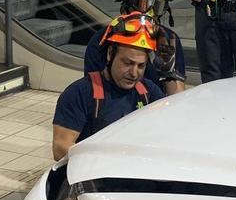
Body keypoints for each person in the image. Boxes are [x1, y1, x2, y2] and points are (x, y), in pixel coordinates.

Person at [53, 12, 165, 160]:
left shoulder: (149, 91)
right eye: (127, 63)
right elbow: (60, 149)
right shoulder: (79, 93)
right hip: (96, 175)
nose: (133, 73)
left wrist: (169, 77)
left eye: (141, 66)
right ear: (110, 54)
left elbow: (169, 129)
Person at [82, 0, 187, 95]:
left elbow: (177, 97)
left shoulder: (169, 40)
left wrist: (168, 74)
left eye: (157, 6)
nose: (149, 12)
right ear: (128, 3)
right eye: (144, 4)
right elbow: (93, 92)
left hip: (155, 107)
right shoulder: (102, 39)